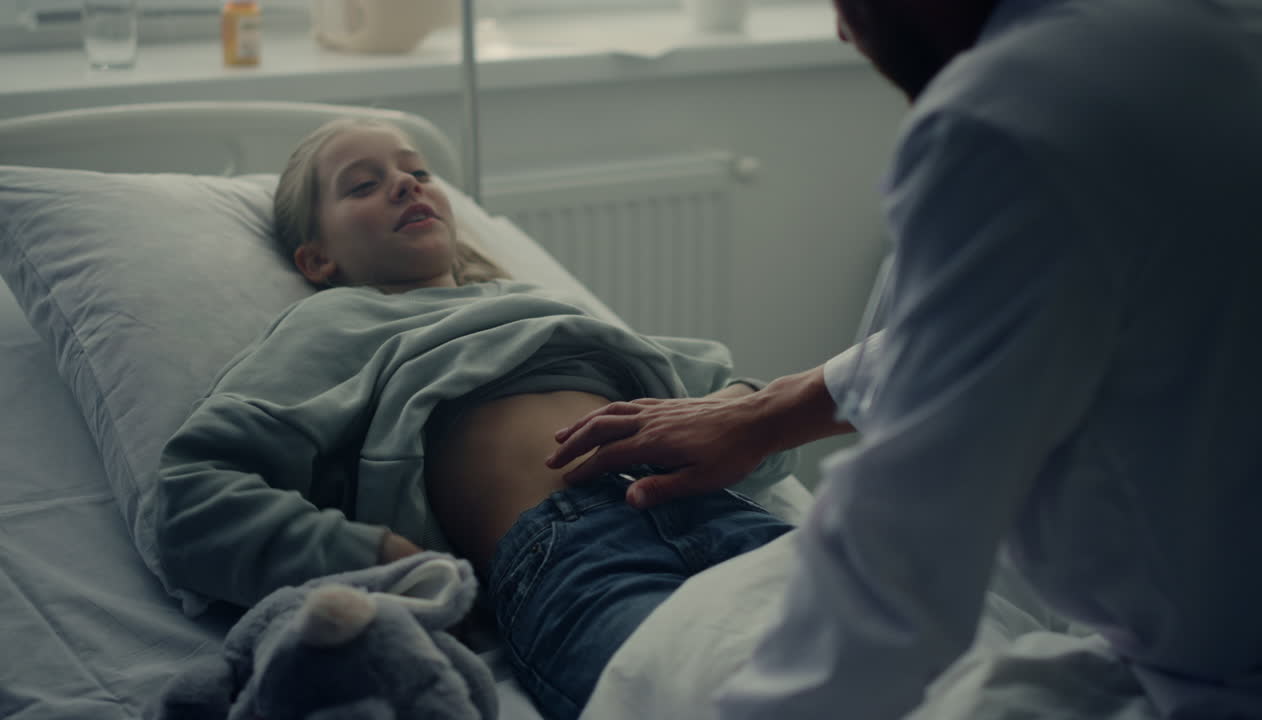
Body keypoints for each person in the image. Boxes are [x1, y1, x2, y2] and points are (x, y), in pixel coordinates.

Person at [547, 0, 1262, 717]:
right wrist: (772, 410)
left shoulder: (1014, 114)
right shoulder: (1211, 35)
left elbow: (899, 570)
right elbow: (1049, 298)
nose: (842, 28)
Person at [153, 117, 798, 720]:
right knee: (705, 698)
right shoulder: (332, 326)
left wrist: (733, 404)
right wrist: (382, 556)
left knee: (879, 658)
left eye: (417, 172)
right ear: (318, 260)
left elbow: (752, 419)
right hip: (573, 555)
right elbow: (194, 498)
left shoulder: (541, 304)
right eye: (363, 185)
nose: (406, 183)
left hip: (718, 514)